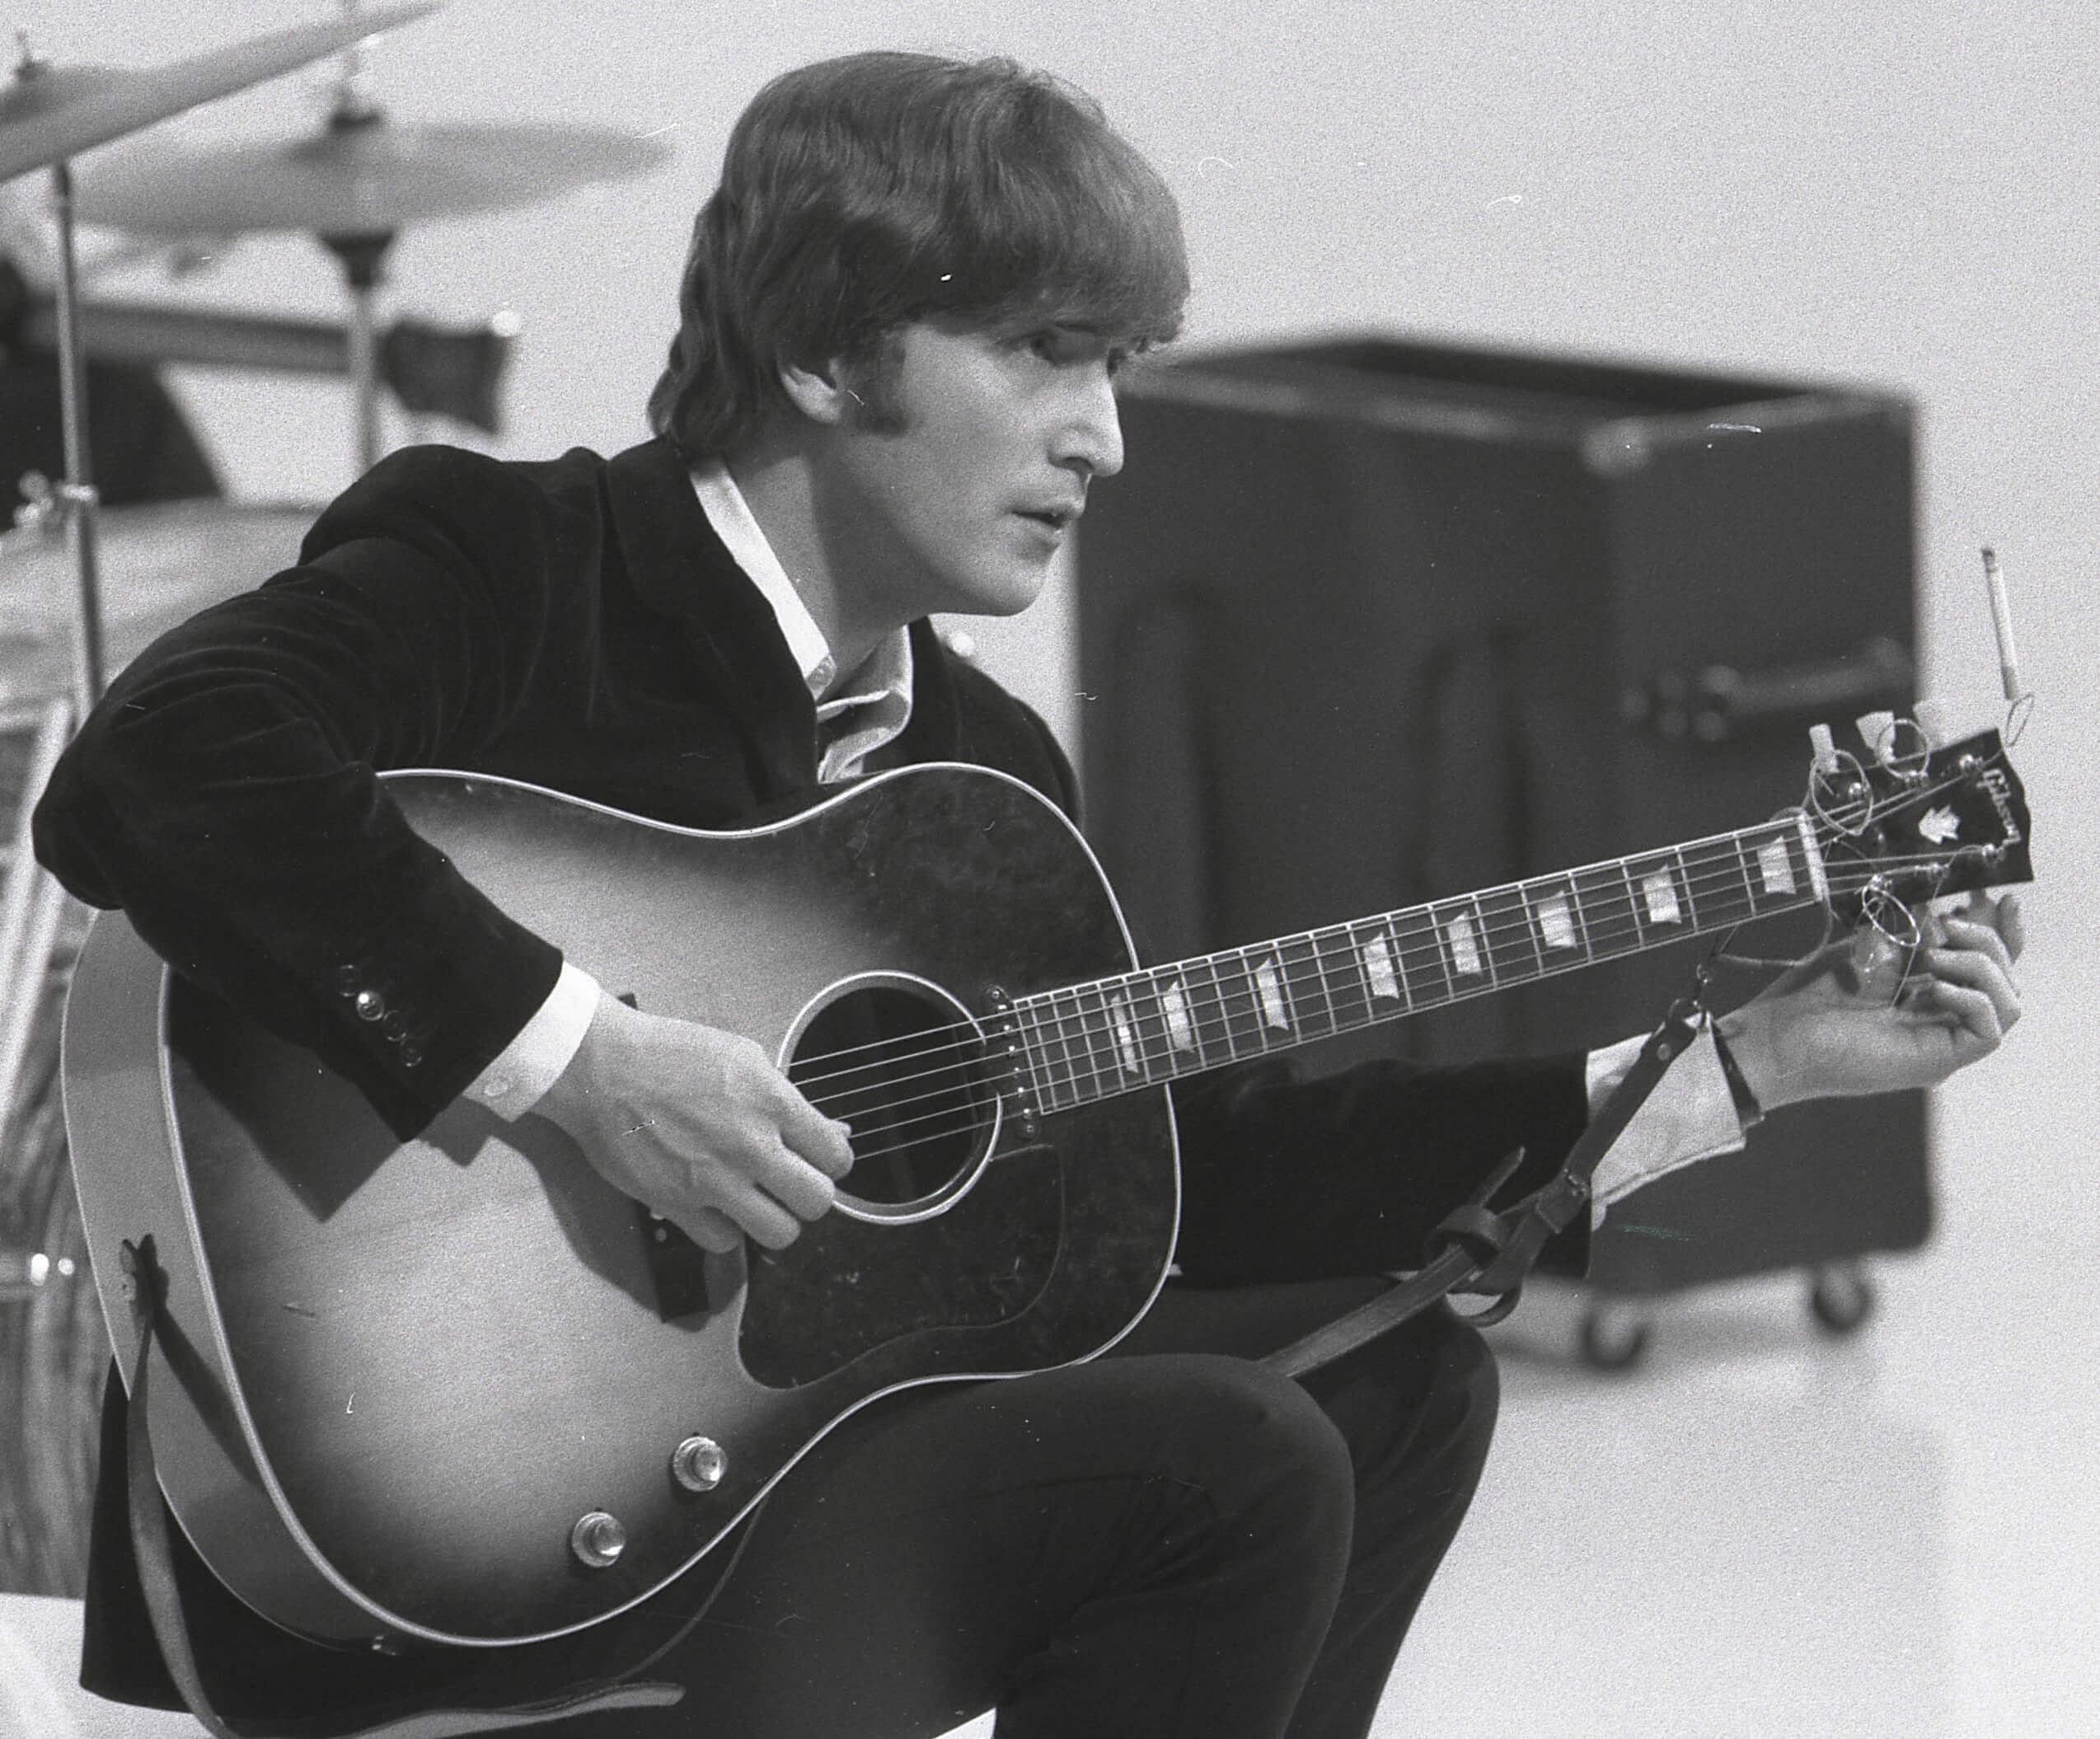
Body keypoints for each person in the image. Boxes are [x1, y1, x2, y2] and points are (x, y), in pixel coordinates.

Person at [33, 50, 2023, 1739]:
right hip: (394, 1551)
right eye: (1045, 355)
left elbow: (1181, 1180)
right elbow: (155, 766)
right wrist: (579, 1061)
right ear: (823, 347)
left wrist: (1744, 1062)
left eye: (1120, 365)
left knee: (1401, 1371)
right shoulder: (510, 561)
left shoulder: (983, 771)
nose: (1106, 435)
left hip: (760, 1507)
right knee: (1223, 1461)